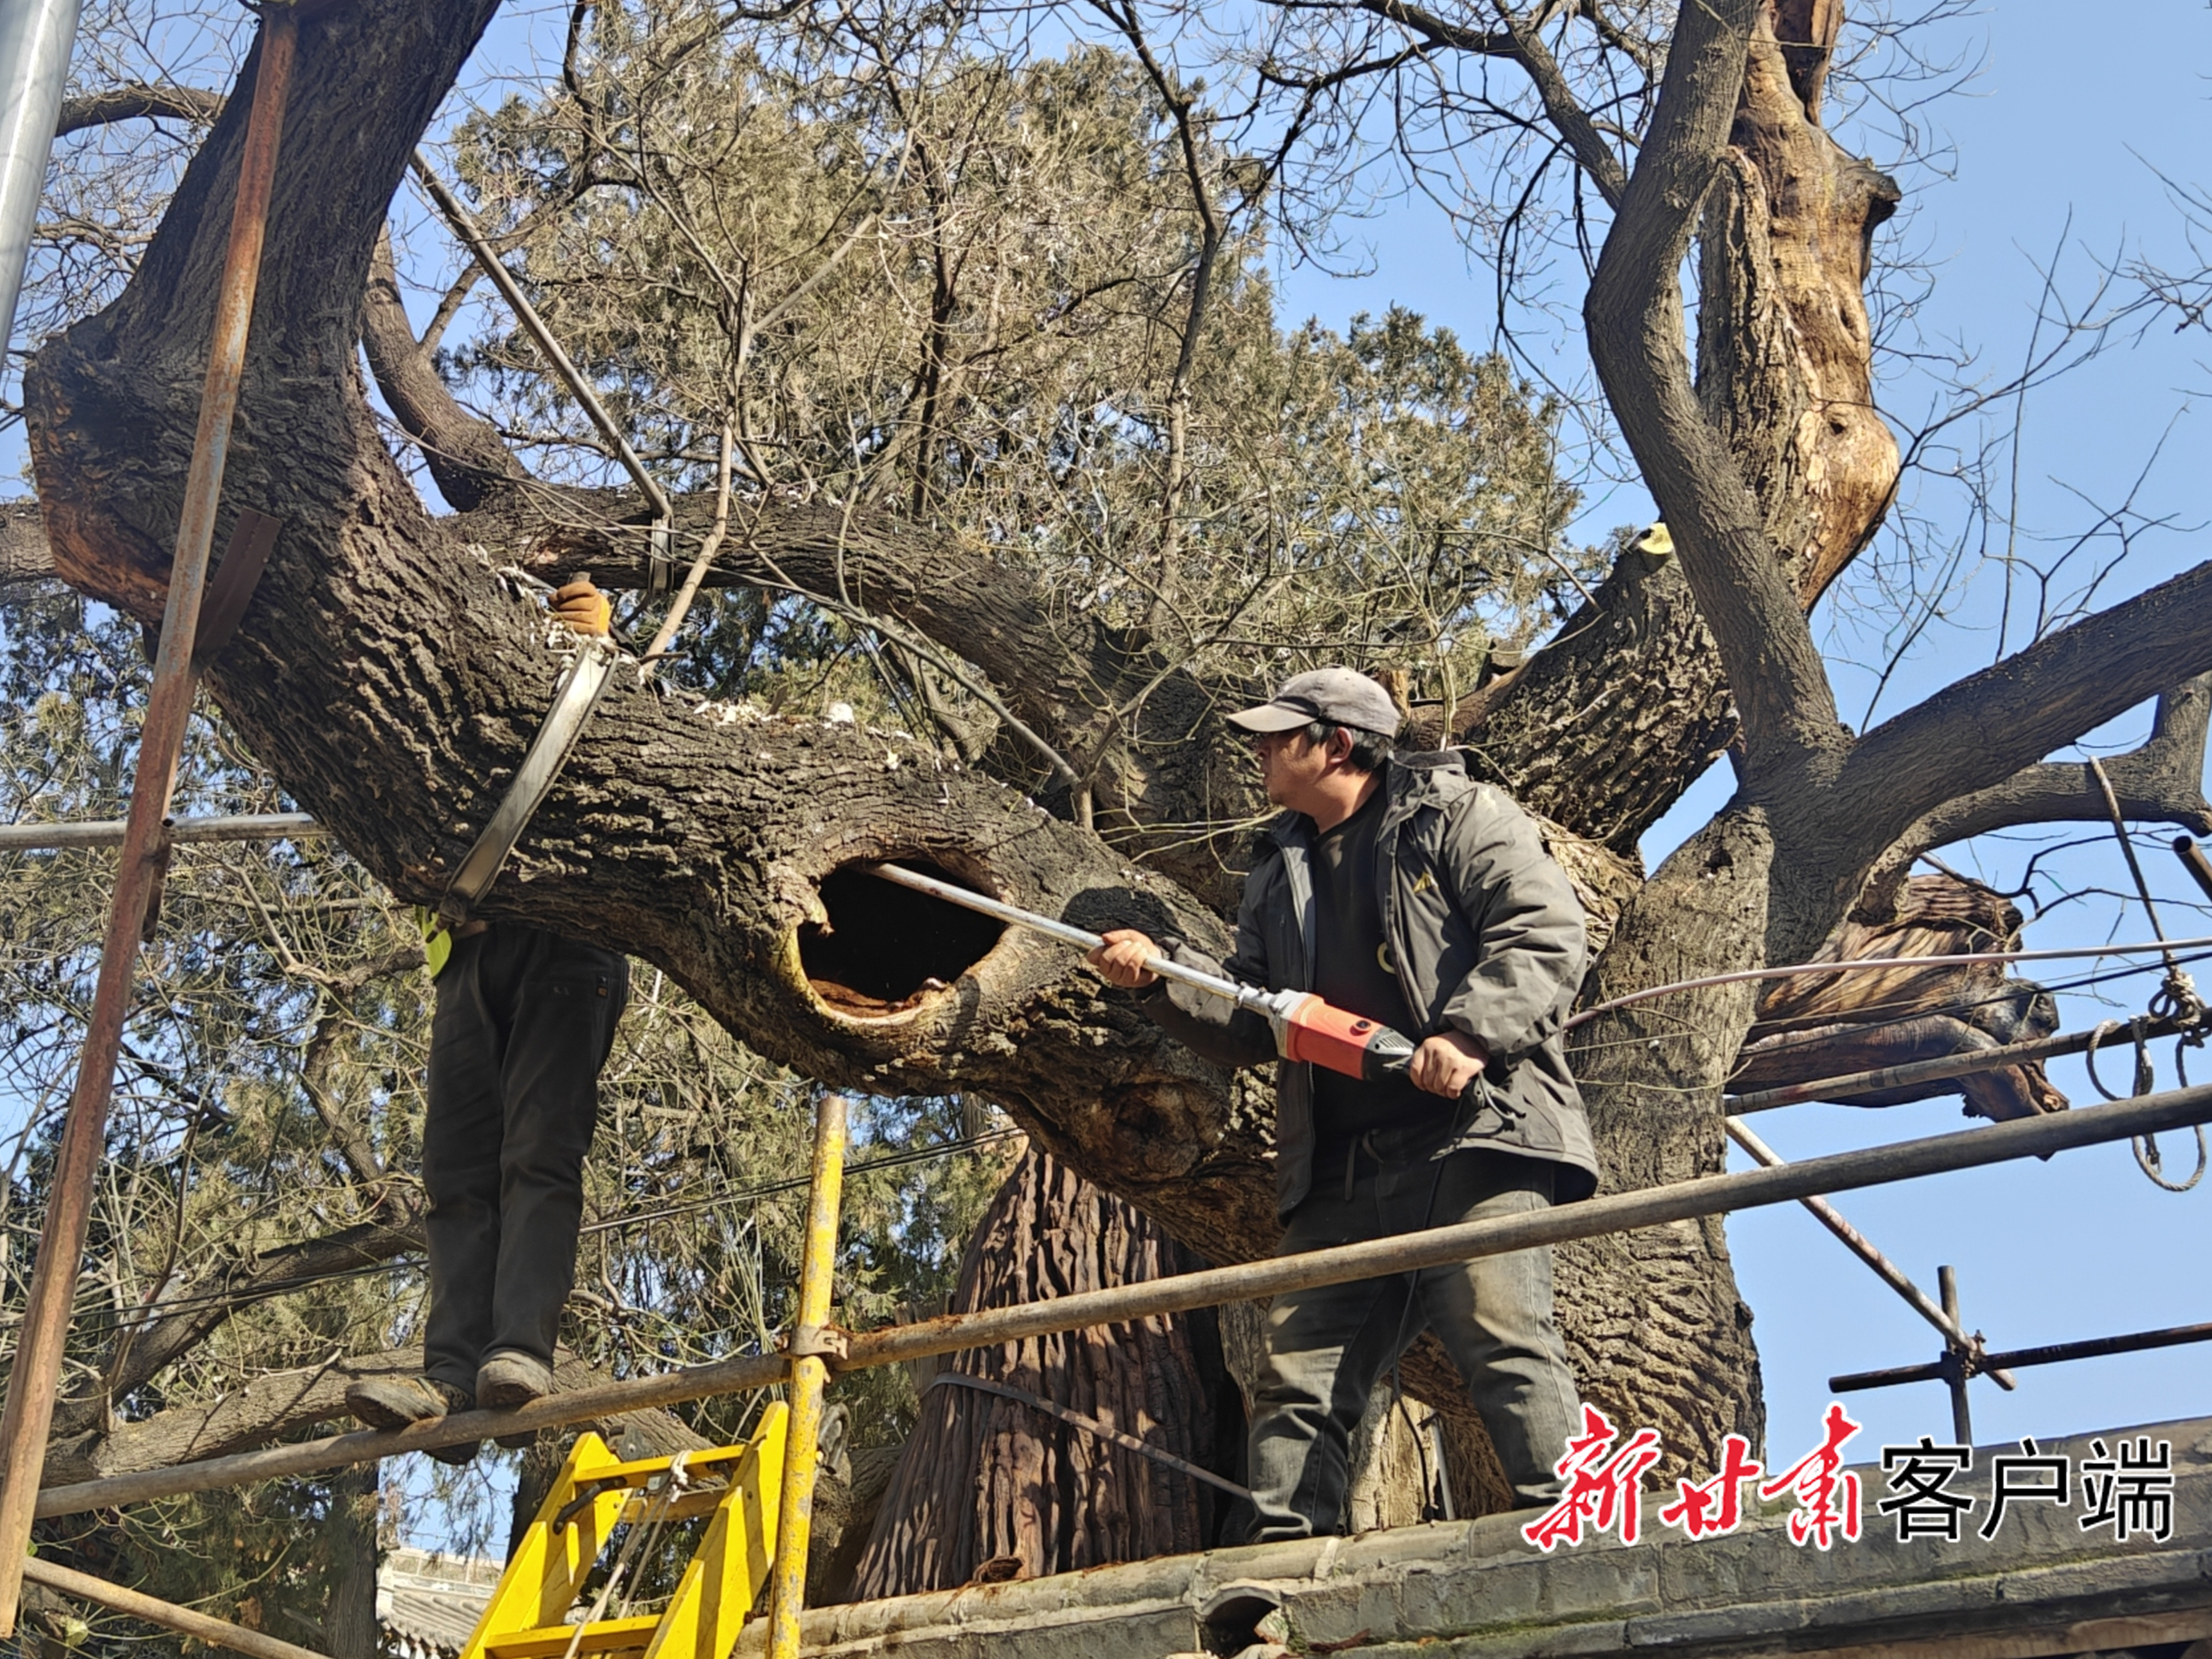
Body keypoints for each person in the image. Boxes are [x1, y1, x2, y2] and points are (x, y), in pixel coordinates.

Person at [1086, 667, 1595, 1538]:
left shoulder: (1459, 813)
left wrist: (1468, 1035)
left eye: (1276, 735)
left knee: (1500, 1333)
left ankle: (1573, 1530)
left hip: (1475, 1138)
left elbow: (1545, 931)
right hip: (1341, 1171)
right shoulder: (1275, 867)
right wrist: (1160, 979)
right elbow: (1250, 1013)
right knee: (1298, 1373)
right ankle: (1286, 1569)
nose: (1257, 750)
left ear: (1337, 744)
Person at [347, 581, 631, 1462]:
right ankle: (449, 1375)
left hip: (566, 942)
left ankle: (518, 1351)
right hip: (466, 954)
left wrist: (597, 660)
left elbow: (628, 763)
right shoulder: (448, 695)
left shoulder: (600, 694)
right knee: (456, 1172)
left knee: (538, 1149)